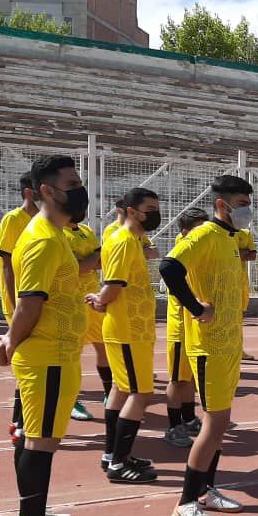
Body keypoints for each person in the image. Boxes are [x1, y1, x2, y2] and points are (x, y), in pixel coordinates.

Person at [0, 155, 89, 516]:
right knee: (41, 443)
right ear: (47, 190)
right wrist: (10, 342)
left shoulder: (52, 233)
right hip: (47, 356)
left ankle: (28, 515)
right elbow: (29, 303)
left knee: (32, 436)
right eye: (71, 183)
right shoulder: (45, 240)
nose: (79, 190)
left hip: (55, 353)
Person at [159, 174, 254, 516]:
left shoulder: (231, 239)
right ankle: (185, 503)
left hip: (230, 343)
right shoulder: (203, 236)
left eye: (248, 203)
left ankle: (206, 490)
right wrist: (196, 307)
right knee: (213, 424)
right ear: (221, 204)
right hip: (208, 346)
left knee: (221, 424)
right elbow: (168, 267)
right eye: (242, 204)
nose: (247, 211)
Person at [87, 188, 161, 483]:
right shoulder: (122, 241)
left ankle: (113, 455)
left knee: (119, 389)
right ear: (131, 211)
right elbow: (113, 282)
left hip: (134, 328)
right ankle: (119, 462)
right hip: (128, 330)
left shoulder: (132, 239)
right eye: (150, 208)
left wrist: (103, 300)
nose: (155, 213)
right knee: (140, 393)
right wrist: (102, 300)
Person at [0, 172, 39, 442]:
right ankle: (21, 421)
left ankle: (20, 419)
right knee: (27, 365)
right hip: (21, 304)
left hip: (36, 300)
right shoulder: (14, 219)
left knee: (32, 364)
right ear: (29, 192)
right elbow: (7, 265)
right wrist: (14, 305)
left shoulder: (45, 223)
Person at [164, 207, 208, 446]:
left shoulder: (200, 248)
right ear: (185, 230)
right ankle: (173, 426)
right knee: (177, 380)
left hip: (195, 325)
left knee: (190, 378)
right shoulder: (182, 251)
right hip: (181, 326)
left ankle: (189, 419)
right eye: (198, 228)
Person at [65, 219, 111, 421]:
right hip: (72, 302)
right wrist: (92, 258)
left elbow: (100, 261)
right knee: (72, 355)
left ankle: (109, 393)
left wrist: (90, 260)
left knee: (103, 347)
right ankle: (71, 402)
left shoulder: (86, 230)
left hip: (93, 300)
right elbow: (78, 267)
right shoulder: (59, 232)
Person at [236, 227, 257, 361]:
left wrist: (236, 253)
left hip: (242, 282)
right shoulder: (223, 232)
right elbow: (225, 254)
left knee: (238, 319)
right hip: (227, 282)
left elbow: (253, 255)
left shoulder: (246, 233)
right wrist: (243, 252)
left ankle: (238, 349)